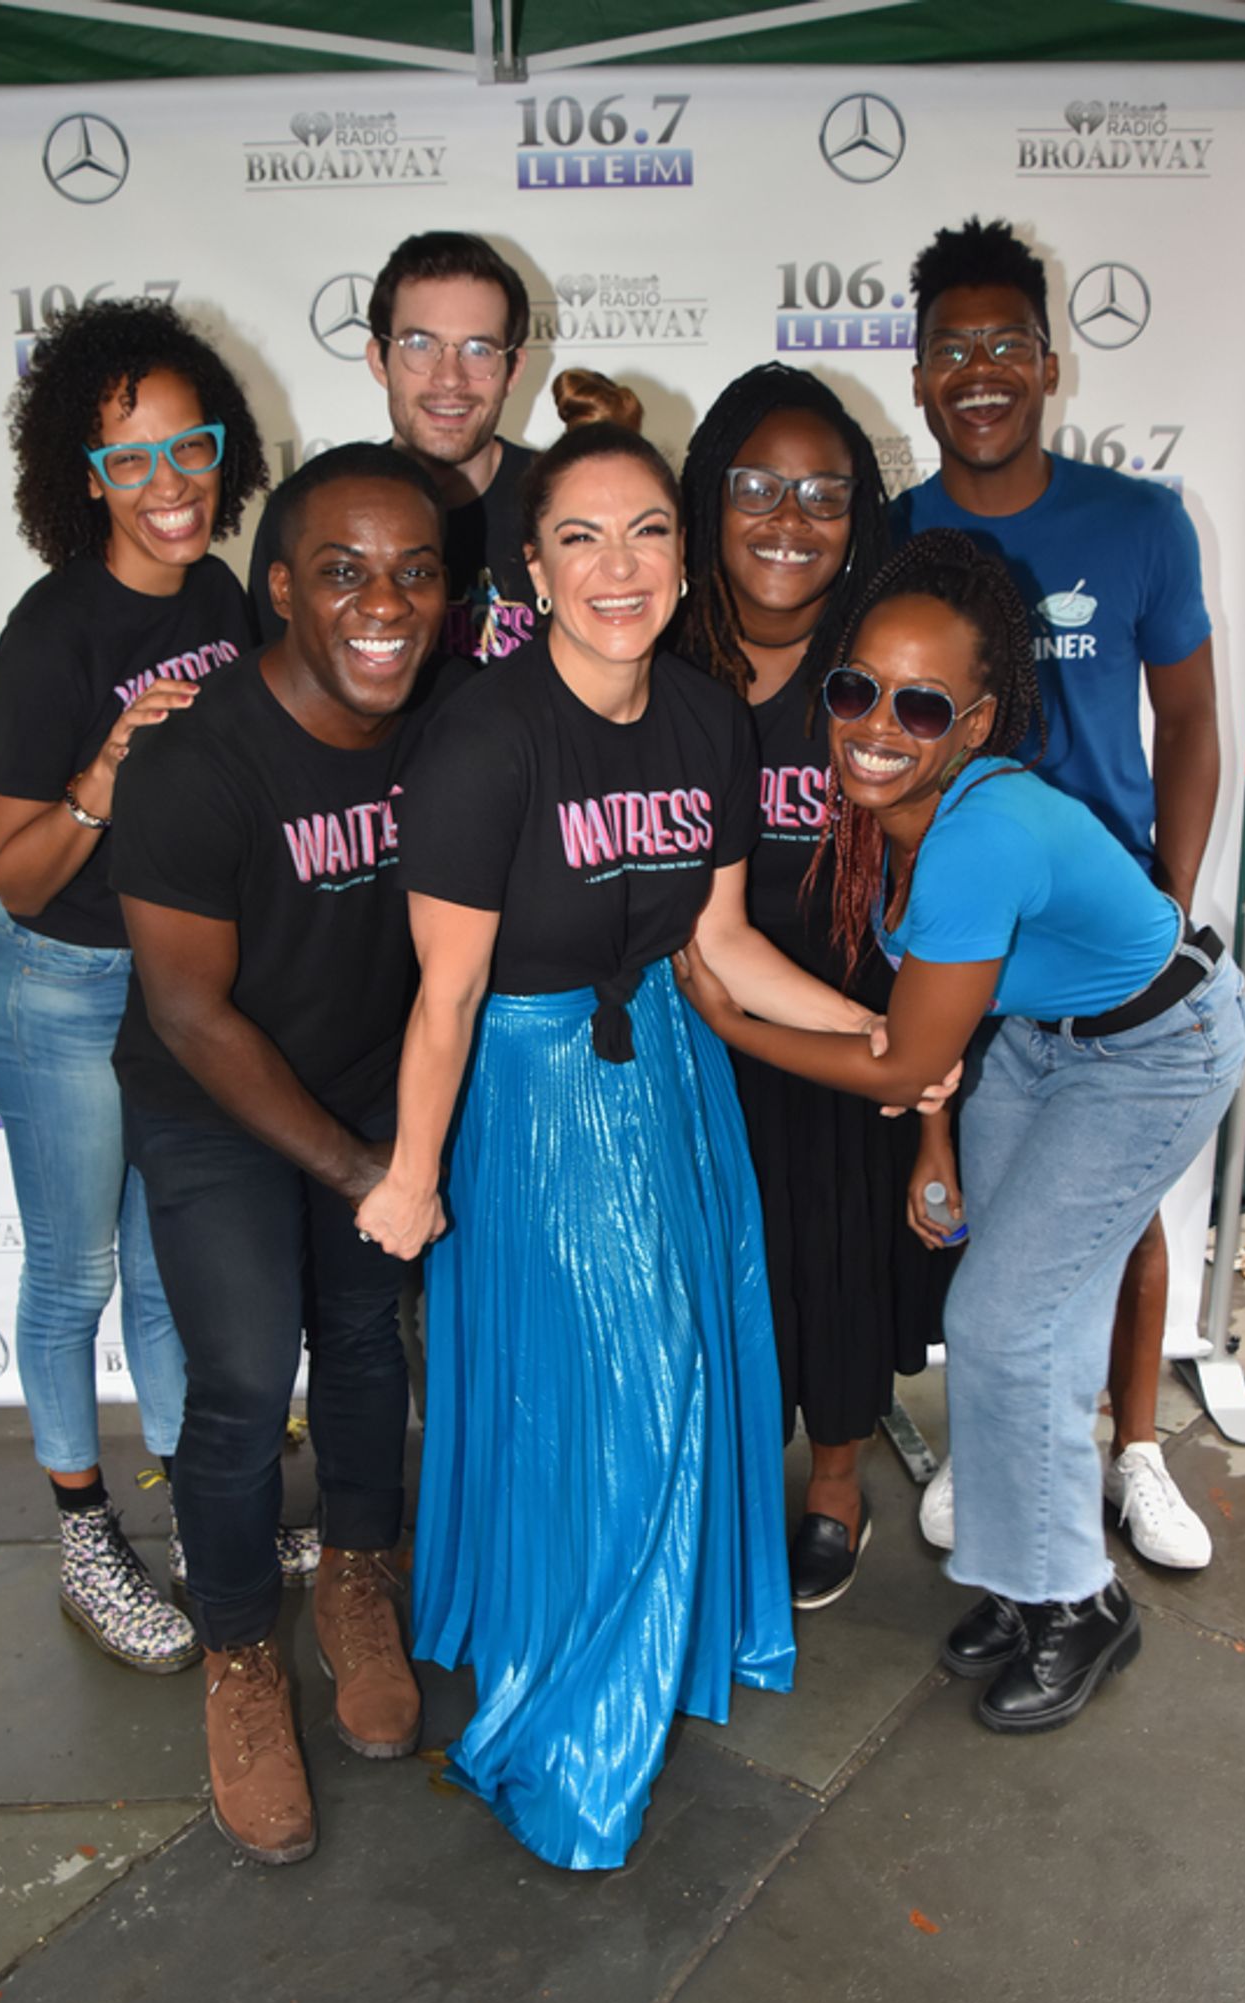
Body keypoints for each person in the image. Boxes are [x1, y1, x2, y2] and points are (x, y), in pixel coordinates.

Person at [353, 373, 921, 1870]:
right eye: (584, 538)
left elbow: (721, 946)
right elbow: (447, 999)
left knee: (682, 1368)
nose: (623, 568)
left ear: (683, 553)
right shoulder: (483, 742)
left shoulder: (704, 722)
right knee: (631, 1387)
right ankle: (576, 1705)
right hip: (535, 1104)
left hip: (670, 1082)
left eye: (651, 531)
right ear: (531, 571)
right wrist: (412, 1176)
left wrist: (870, 1028)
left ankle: (646, 1632)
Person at [676, 530, 1245, 1735]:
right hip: (1041, 1042)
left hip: (1155, 1050)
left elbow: (905, 1053)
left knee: (1002, 1319)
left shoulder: (979, 830)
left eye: (920, 704)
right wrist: (933, 1149)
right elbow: (934, 1029)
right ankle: (1016, 1577)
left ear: (977, 725)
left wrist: (723, 1014)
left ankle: (1079, 1605)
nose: (874, 723)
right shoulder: (879, 804)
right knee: (998, 1318)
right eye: (853, 689)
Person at [111, 445, 465, 1865]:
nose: (383, 603)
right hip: (216, 1102)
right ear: (278, 592)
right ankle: (243, 1655)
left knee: (369, 1338)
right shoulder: (197, 765)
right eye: (342, 572)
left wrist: (400, 1149)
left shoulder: (448, 725)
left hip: (371, 1086)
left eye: (414, 570)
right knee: (252, 1376)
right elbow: (192, 1015)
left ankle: (359, 1580)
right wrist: (364, 1175)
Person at [893, 217, 1221, 1570]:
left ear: (1047, 363)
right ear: (917, 376)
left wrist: (1175, 894)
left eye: (1004, 344)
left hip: (1099, 945)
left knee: (1118, 1206)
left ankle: (1133, 1447)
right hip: (966, 944)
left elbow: (1191, 720)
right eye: (950, 349)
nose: (980, 371)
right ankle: (1001, 1438)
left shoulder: (1139, 523)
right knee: (980, 1200)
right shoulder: (899, 532)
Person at [0, 298, 267, 1674]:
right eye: (133, 461)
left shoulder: (219, 595)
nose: (170, 485)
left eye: (188, 449)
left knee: (163, 1272)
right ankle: (85, 1535)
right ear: (86, 478)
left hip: (167, 990)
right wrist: (99, 778)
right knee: (76, 1269)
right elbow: (13, 873)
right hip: (60, 985)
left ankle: (203, 1524)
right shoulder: (52, 635)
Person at [677, 362, 952, 1610]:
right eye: (755, 487)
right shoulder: (657, 655)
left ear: (860, 517)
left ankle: (835, 1479)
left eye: (822, 493)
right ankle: (720, 1469)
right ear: (707, 500)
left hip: (853, 1042)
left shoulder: (877, 665)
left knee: (838, 1264)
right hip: (690, 1040)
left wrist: (928, 1089)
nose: (787, 520)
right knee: (709, 1279)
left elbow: (947, 875)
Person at [249, 231, 536, 666]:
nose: (450, 378)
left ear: (513, 370)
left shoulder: (564, 508)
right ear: (378, 360)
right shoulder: (314, 512)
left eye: (479, 349)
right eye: (420, 345)